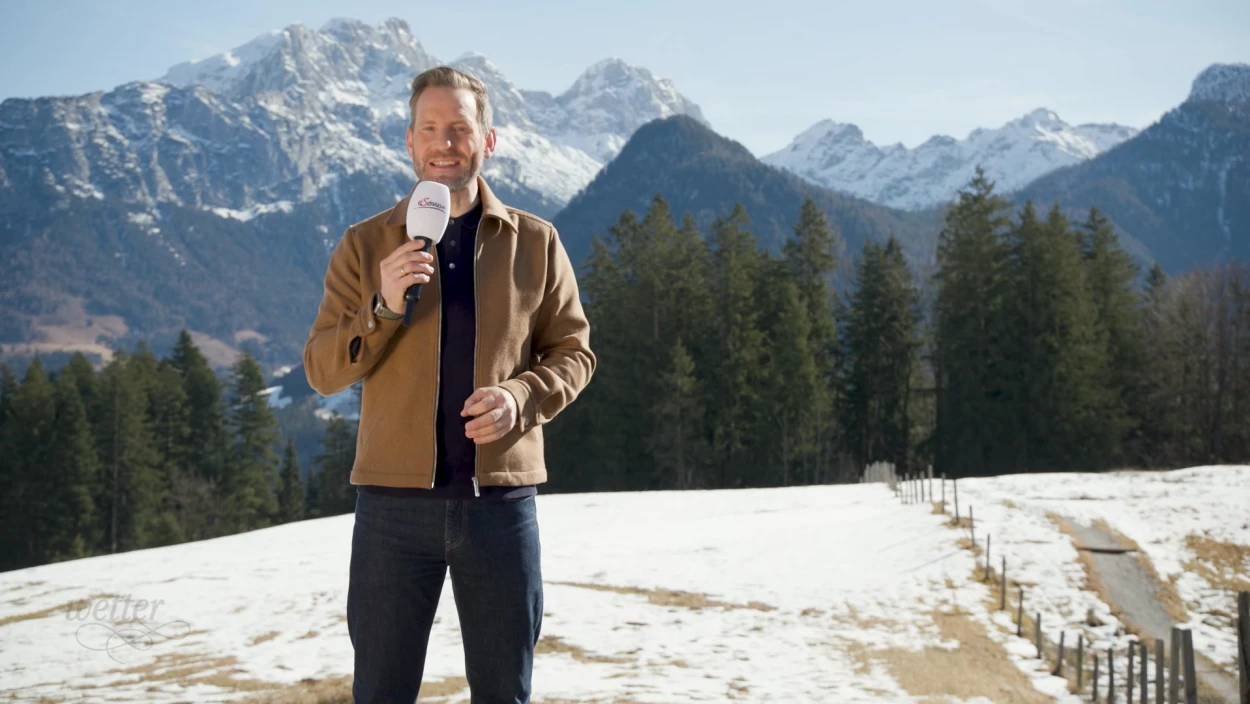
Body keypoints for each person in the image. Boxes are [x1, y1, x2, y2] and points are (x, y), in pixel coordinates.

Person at [303, 65, 596, 703]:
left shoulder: (536, 243)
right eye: (431, 128)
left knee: (504, 695)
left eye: (460, 129)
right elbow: (323, 369)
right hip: (391, 512)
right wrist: (380, 304)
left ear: (487, 141)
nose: (445, 143)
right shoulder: (362, 246)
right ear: (409, 141)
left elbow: (574, 353)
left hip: (500, 510)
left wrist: (520, 397)